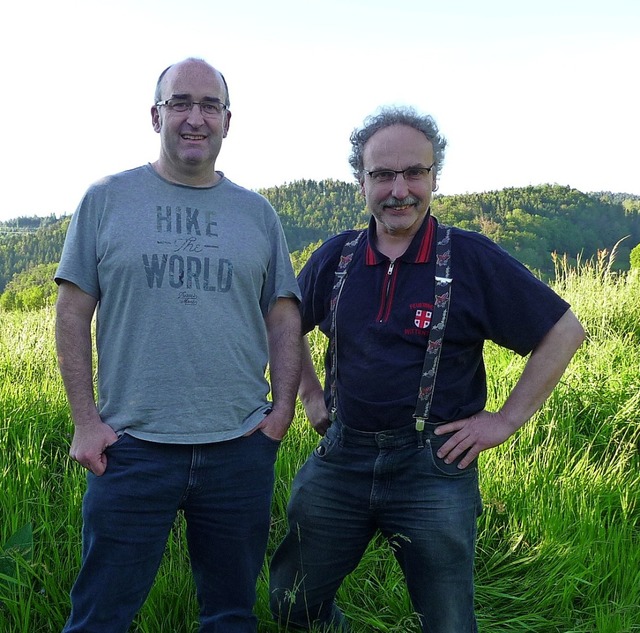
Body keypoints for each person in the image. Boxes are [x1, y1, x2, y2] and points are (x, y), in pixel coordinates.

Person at [269, 106, 585, 632]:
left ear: (434, 177)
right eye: (383, 175)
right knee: (291, 601)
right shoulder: (337, 257)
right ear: (361, 181)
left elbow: (564, 331)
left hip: (433, 468)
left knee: (447, 621)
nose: (400, 190)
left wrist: (504, 420)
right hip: (342, 457)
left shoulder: (469, 258)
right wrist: (309, 393)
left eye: (415, 173)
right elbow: (286, 325)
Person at [55, 57, 301, 633]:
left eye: (209, 105)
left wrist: (281, 412)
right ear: (155, 114)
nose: (196, 118)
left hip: (239, 449)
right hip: (131, 447)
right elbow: (71, 314)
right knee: (99, 617)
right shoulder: (107, 199)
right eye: (181, 103)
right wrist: (85, 422)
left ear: (227, 120)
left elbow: (283, 314)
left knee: (231, 616)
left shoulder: (257, 213)